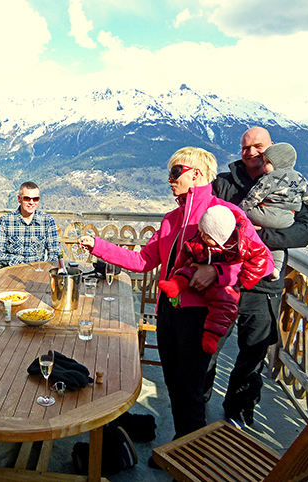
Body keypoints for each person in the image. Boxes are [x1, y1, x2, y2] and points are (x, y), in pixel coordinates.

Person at [79, 147, 273, 441]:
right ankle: (182, 447)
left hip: (202, 316)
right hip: (169, 311)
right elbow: (143, 261)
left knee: (190, 391)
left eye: (174, 173)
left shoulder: (225, 214)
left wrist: (216, 273)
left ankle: (189, 458)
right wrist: (97, 245)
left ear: (195, 174)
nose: (169, 180)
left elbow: (263, 262)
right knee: (174, 385)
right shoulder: (171, 219)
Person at [202, 127, 308, 428]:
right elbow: (205, 219)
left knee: (253, 352)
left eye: (258, 147)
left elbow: (305, 230)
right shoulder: (224, 184)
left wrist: (258, 236)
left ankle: (238, 412)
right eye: (245, 148)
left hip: (264, 285)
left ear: (272, 149)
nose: (251, 152)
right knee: (208, 346)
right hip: (222, 280)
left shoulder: (291, 183)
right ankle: (196, 408)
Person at [158, 205, 272, 355]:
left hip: (222, 284)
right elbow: (184, 254)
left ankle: (211, 336)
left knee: (224, 306)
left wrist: (246, 279)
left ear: (220, 236)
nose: (202, 237)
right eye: (202, 233)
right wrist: (177, 271)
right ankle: (175, 285)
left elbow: (262, 259)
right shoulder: (199, 241)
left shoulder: (241, 245)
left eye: (207, 235)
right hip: (199, 269)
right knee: (187, 269)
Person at [238, 142, 308, 280]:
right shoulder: (300, 178)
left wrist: (239, 211)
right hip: (288, 220)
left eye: (267, 162)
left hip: (266, 214)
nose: (264, 166)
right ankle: (276, 268)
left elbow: (254, 197)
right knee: (279, 247)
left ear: (277, 162)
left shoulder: (270, 178)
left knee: (243, 216)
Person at [0, 181, 60, 267]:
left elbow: (54, 253)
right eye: (27, 198)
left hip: (37, 272)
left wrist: (45, 270)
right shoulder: (5, 221)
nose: (31, 202)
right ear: (19, 199)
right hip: (12, 272)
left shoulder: (47, 221)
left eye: (35, 199)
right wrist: (16, 262)